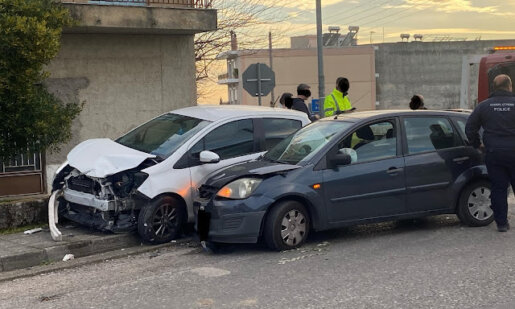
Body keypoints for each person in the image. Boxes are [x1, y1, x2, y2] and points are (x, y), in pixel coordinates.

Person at [465, 74, 515, 232]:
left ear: (494, 87)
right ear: (509, 86)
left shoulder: (483, 106)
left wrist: (477, 144)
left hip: (494, 153)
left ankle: (501, 223)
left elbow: (470, 128)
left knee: (498, 188)